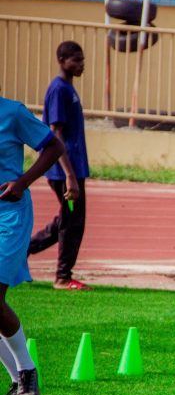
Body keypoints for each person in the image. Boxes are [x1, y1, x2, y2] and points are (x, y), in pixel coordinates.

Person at [0, 96, 66, 395]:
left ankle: (27, 372)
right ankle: (18, 379)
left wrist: (23, 182)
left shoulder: (12, 113)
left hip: (9, 214)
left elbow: (54, 146)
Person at [27, 41, 91, 290]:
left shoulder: (68, 89)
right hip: (64, 170)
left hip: (73, 168)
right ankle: (63, 277)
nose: (81, 64)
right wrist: (69, 176)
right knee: (72, 221)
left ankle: (25, 250)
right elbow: (55, 133)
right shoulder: (58, 90)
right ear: (62, 60)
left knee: (68, 218)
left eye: (82, 59)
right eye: (76, 60)